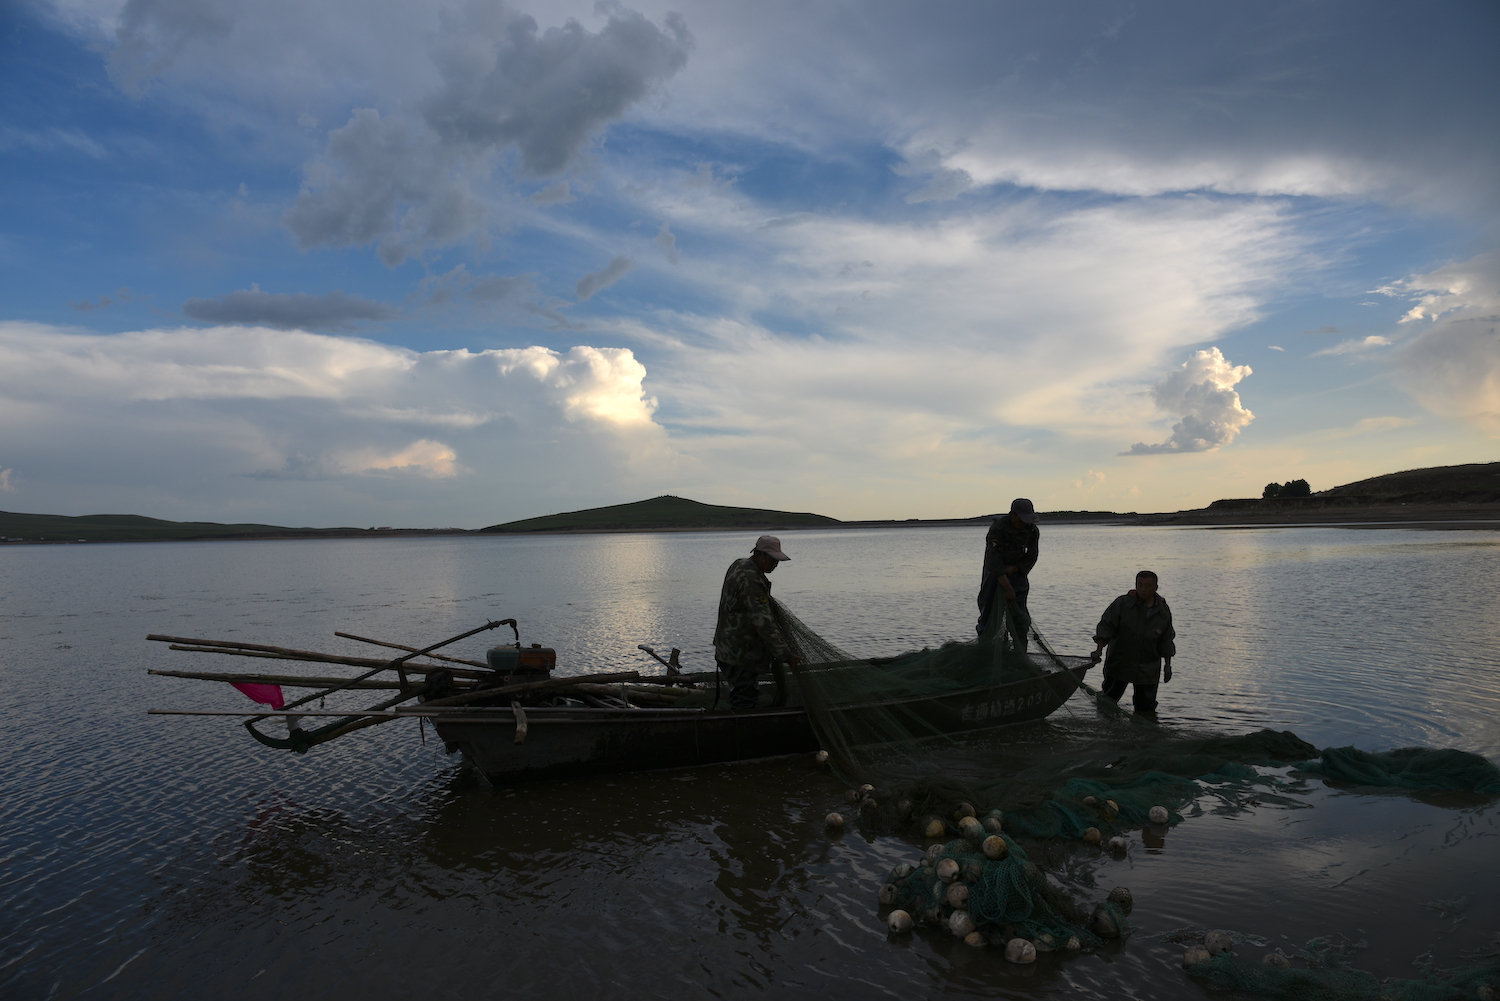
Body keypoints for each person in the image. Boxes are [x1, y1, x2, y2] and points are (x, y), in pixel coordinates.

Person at [713, 535, 801, 711]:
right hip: (739, 654)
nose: (776, 564)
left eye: (778, 560)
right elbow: (763, 622)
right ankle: (743, 734)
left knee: (743, 694)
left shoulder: (739, 564)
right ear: (760, 555)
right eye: (773, 560)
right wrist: (786, 655)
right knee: (745, 700)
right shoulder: (752, 579)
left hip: (727, 648)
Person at [1090, 570, 1176, 714]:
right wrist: (1099, 649)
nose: (1143, 589)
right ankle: (1103, 732)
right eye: (1140, 585)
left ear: (1156, 587)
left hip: (1148, 668)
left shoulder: (1162, 610)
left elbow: (1166, 639)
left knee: (1146, 709)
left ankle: (1145, 734)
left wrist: (1168, 665)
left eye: (1147, 586)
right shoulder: (1122, 603)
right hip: (1119, 663)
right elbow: (1106, 627)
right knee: (1107, 703)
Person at [976, 498, 1040, 636]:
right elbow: (993, 560)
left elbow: (1032, 556)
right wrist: (1007, 587)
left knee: (1019, 617)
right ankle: (986, 645)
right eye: (1021, 519)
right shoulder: (997, 528)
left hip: (1017, 572)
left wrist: (1016, 568)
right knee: (988, 611)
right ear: (1013, 515)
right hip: (994, 573)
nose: (1023, 523)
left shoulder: (1032, 530)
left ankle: (1020, 649)